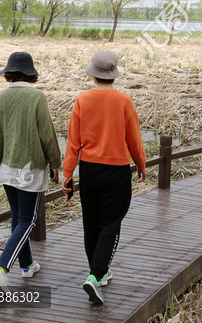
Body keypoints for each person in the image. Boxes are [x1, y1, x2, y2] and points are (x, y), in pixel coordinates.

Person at [62, 50, 147, 305]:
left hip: (89, 169)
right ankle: (95, 275)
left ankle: (99, 271)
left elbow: (73, 142)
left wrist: (68, 175)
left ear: (93, 75)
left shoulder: (82, 100)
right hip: (116, 170)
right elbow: (134, 139)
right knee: (111, 222)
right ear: (113, 75)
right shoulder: (124, 101)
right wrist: (141, 165)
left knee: (92, 221)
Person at [0, 51, 62, 292]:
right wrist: (56, 164)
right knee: (29, 220)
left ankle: (27, 265)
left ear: (9, 73)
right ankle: (2, 268)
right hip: (29, 169)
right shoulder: (37, 97)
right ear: (31, 74)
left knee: (18, 218)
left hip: (5, 168)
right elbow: (46, 134)